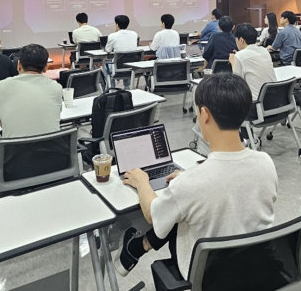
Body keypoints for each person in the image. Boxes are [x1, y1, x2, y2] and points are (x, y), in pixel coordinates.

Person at [114, 73, 278, 278]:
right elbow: (229, 183)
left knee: (174, 215)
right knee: (184, 209)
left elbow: (152, 215)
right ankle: (138, 247)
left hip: (207, 274)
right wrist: (188, 179)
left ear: (204, 114)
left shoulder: (189, 184)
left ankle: (137, 247)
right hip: (255, 264)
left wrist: (142, 182)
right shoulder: (265, 162)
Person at [0, 44, 62, 138]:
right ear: (46, 67)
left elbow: (2, 124)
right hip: (50, 146)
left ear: (19, 65)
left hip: (14, 146)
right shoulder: (56, 87)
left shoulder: (0, 86)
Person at [230, 23, 276, 99]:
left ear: (241, 40)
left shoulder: (239, 56)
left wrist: (233, 62)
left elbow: (237, 84)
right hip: (274, 98)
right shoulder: (264, 51)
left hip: (255, 102)